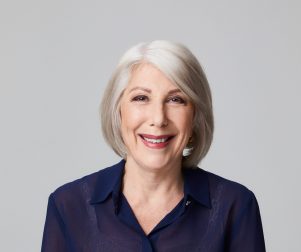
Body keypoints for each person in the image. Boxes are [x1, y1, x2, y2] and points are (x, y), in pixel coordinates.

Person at [41, 41, 266, 252]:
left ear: (195, 115)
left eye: (176, 100)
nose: (158, 119)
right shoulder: (68, 206)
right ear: (118, 111)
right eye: (141, 98)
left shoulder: (235, 207)